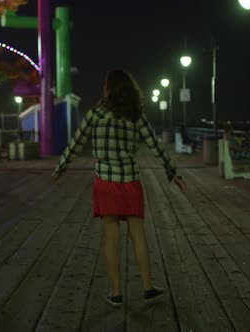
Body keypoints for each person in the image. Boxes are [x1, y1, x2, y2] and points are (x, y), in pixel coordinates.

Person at [52, 69, 187, 307]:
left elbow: (76, 142)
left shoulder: (95, 114)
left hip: (105, 182)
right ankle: (147, 288)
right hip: (130, 182)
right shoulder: (136, 116)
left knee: (111, 237)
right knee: (138, 235)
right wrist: (172, 172)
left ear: (109, 89)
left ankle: (116, 293)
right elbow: (155, 146)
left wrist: (61, 167)